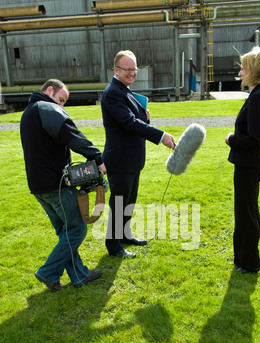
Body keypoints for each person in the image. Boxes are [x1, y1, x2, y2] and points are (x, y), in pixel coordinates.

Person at [20, 79, 106, 291]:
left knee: (65, 232)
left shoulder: (28, 112)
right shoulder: (46, 108)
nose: (61, 106)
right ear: (49, 90)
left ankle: (79, 275)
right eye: (61, 99)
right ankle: (47, 272)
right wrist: (97, 157)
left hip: (38, 186)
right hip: (54, 184)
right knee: (76, 229)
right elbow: (71, 135)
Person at [101, 50, 175, 258]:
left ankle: (124, 236)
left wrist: (146, 117)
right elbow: (128, 122)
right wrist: (161, 136)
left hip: (132, 160)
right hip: (120, 160)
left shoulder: (125, 90)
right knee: (119, 204)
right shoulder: (113, 92)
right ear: (116, 70)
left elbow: (135, 120)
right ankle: (113, 246)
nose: (133, 73)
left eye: (135, 69)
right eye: (128, 69)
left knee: (129, 201)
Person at [225, 47, 260, 273]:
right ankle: (242, 259)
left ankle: (250, 262)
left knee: (247, 215)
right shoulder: (257, 95)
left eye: (243, 68)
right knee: (245, 212)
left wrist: (231, 139)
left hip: (250, 163)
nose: (240, 72)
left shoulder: (258, 98)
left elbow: (254, 139)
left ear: (252, 71)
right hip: (248, 163)